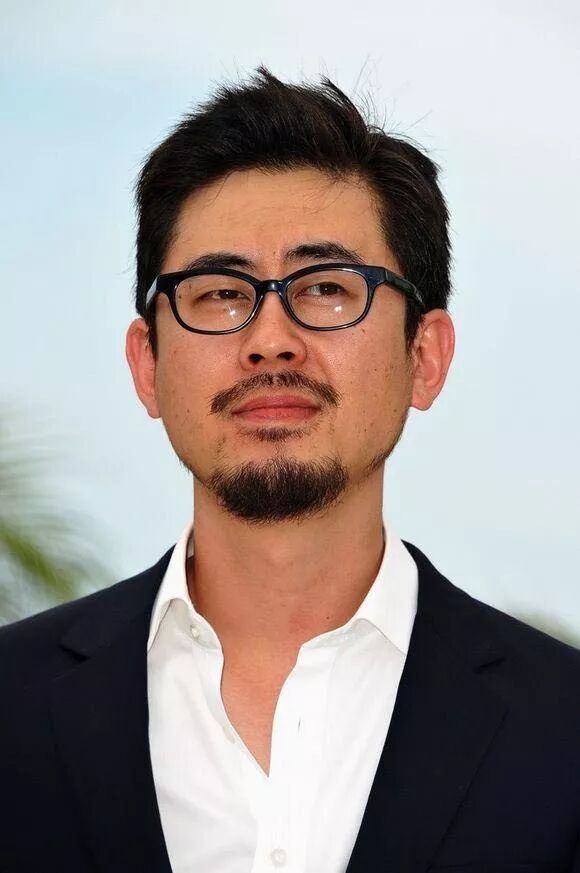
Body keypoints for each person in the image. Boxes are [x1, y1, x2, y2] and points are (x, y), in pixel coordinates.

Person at [1, 66, 579, 873]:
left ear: (425, 356)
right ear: (147, 364)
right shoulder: (12, 703)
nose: (270, 340)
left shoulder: (564, 729)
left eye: (328, 288)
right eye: (218, 293)